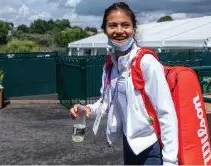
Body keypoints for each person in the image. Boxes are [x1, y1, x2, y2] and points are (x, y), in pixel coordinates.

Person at [69, 2, 178, 165]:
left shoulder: (146, 62)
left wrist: (170, 161)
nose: (119, 31)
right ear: (105, 30)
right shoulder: (111, 65)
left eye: (125, 25)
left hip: (152, 146)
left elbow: (166, 113)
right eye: (112, 25)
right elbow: (106, 102)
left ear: (134, 29)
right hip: (130, 144)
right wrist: (86, 109)